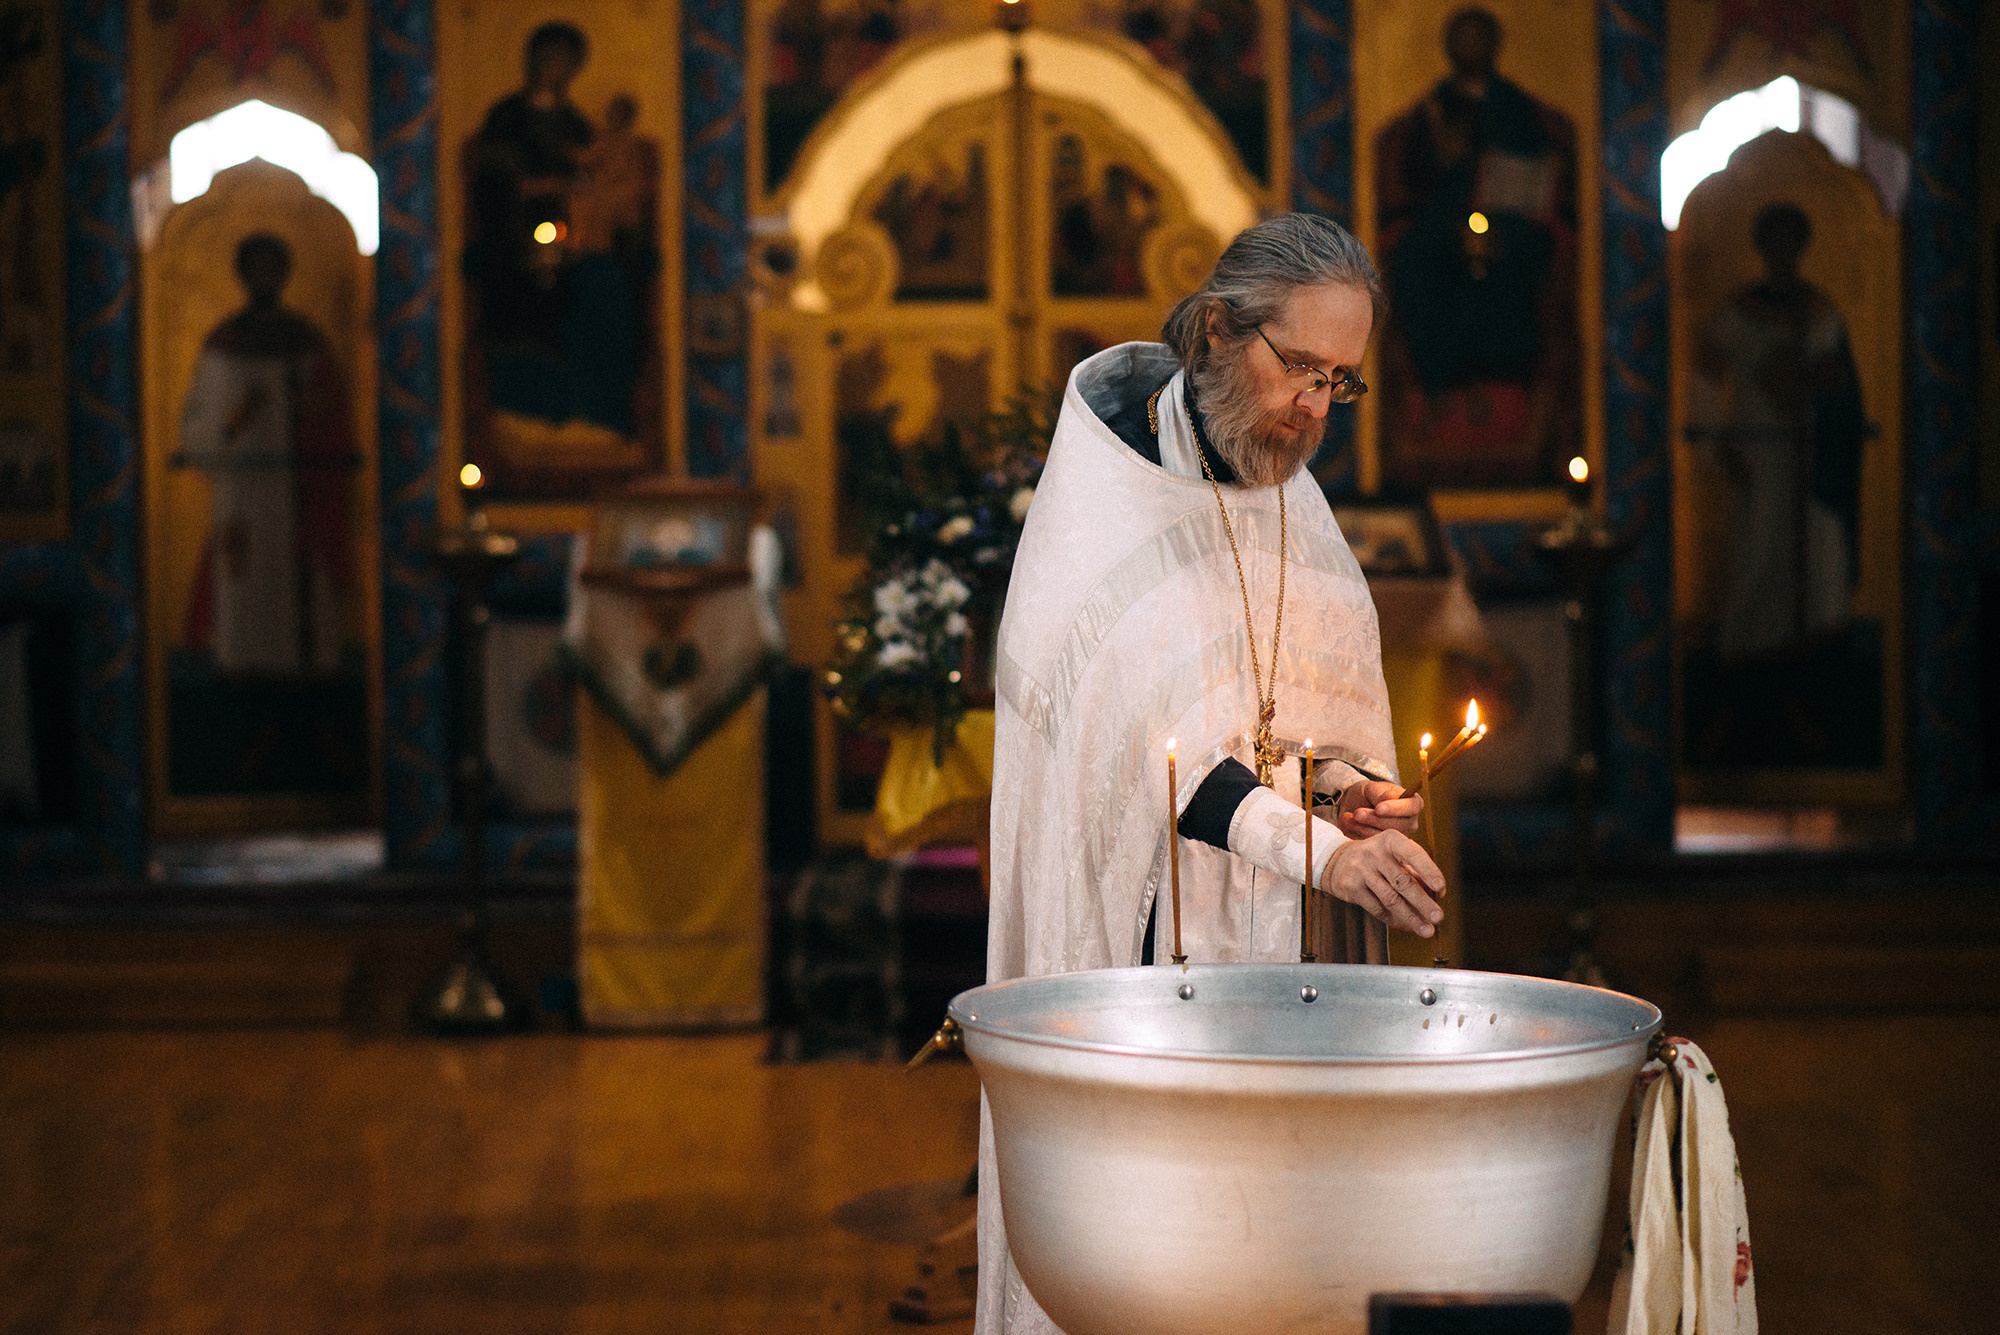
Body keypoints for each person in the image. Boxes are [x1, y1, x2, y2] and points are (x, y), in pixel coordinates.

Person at [979, 213, 1445, 1334]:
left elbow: (1293, 718)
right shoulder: (1104, 501)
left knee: (1274, 1256)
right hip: (1146, 952)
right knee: (1151, 1259)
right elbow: (1156, 762)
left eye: (1342, 383)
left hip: (1276, 941)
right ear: (1216, 329)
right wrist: (1321, 851)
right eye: (1299, 369)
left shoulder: (1294, 496)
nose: (1314, 409)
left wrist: (1344, 795)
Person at [1688, 202, 1865, 662]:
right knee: (1759, 544)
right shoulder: (1737, 312)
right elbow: (1705, 375)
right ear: (1762, 247)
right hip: (1757, 451)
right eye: (1775, 241)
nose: (1783, 251)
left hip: (1812, 454)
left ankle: (1814, 657)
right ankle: (1749, 658)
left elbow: (1840, 386)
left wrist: (1815, 385)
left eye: (1792, 241)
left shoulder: (1822, 313)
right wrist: (1715, 443)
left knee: (1818, 549)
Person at [179, 233, 355, 676]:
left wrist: (310, 414)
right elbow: (199, 426)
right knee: (245, 583)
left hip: (301, 494)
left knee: (303, 604)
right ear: (243, 275)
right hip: (244, 494)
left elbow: (332, 413)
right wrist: (233, 426)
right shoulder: (223, 344)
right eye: (254, 267)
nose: (264, 276)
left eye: (271, 267)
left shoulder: (307, 342)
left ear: (284, 274)